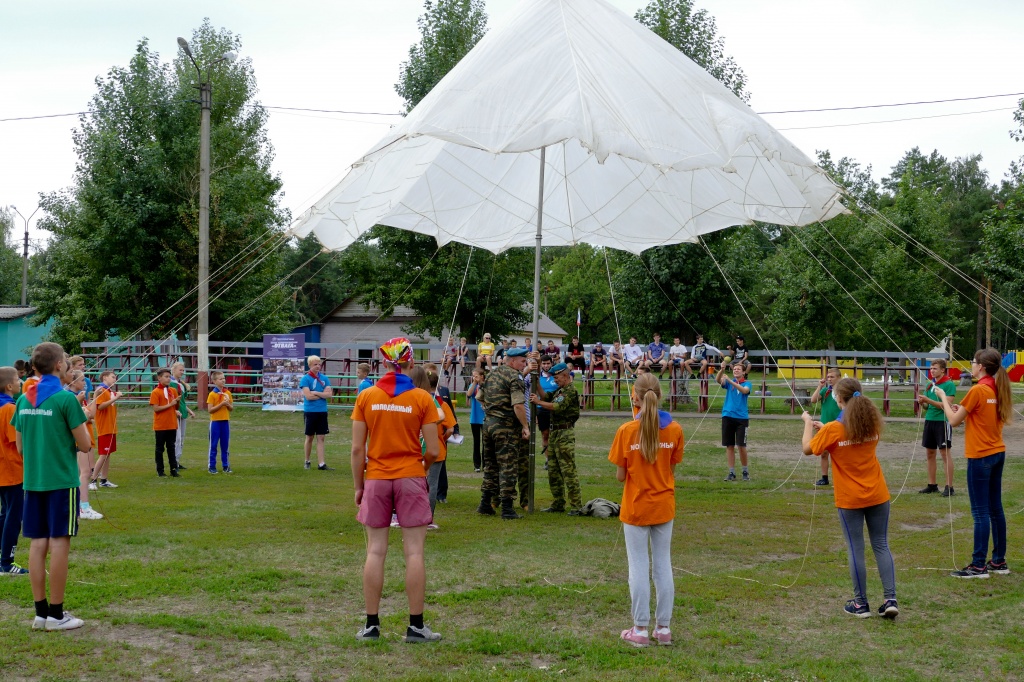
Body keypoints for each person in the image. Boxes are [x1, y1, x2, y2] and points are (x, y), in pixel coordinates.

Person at [351, 337, 442, 643]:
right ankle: (416, 626)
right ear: (410, 363)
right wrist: (423, 468)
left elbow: (356, 450)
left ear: (384, 363)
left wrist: (358, 487)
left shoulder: (367, 396)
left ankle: (371, 625)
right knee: (414, 552)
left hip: (375, 477)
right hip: (410, 477)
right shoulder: (421, 398)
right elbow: (433, 448)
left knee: (375, 551)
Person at [802, 377, 898, 618]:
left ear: (839, 399)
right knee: (881, 545)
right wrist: (825, 430)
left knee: (856, 549)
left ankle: (860, 603)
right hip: (878, 494)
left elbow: (808, 448)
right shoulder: (870, 422)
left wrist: (806, 423)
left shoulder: (835, 429)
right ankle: (890, 599)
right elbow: (849, 438)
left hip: (850, 499)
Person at [14, 342, 92, 630]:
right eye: (66, 362)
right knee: (59, 542)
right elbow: (85, 444)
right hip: (61, 481)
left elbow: (21, 447)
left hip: (33, 481)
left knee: (37, 543)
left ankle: (40, 613)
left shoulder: (24, 399)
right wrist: (84, 420)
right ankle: (56, 615)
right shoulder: (65, 398)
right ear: (59, 365)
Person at [609, 372, 684, 647]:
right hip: (663, 505)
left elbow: (620, 475)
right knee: (663, 565)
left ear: (636, 397)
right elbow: (670, 467)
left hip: (637, 506)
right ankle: (663, 628)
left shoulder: (627, 431)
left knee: (638, 567)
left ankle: (640, 630)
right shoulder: (674, 429)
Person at [932, 348, 1013, 579]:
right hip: (997, 453)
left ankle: (978, 565)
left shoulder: (979, 389)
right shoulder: (996, 388)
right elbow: (976, 413)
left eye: (974, 362)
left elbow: (953, 421)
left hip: (981, 456)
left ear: (983, 367)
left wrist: (943, 400)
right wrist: (960, 408)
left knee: (980, 512)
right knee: (995, 508)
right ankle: (998, 561)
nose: (972, 366)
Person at [477, 347, 532, 520]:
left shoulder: (492, 374)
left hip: (488, 425)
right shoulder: (515, 377)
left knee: (491, 465)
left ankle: (485, 503)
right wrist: (525, 426)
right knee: (507, 466)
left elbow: (480, 396)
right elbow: (518, 405)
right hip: (505, 427)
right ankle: (507, 508)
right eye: (523, 361)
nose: (525, 364)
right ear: (512, 361)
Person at [531, 362, 583, 515]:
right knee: (553, 470)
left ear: (566, 376)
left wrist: (538, 402)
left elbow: (556, 406)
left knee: (568, 470)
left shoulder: (570, 391)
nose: (555, 380)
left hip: (565, 434)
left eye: (557, 377)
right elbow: (546, 396)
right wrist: (538, 390)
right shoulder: (560, 391)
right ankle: (558, 502)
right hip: (554, 434)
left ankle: (576, 506)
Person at [0, 366, 27, 576]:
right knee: (13, 516)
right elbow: (16, 441)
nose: (20, 382)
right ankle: (7, 562)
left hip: (3, 470)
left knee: (4, 513)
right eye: (18, 379)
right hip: (11, 470)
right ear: (9, 385)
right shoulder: (9, 408)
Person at [917, 359, 956, 497]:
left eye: (935, 368)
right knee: (930, 453)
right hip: (930, 421)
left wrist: (928, 401)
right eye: (931, 368)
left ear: (942, 370)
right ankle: (932, 485)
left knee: (945, 454)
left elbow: (947, 405)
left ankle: (949, 486)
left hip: (943, 421)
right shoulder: (929, 385)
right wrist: (923, 403)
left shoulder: (949, 385)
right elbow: (928, 406)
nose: (932, 371)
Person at [66, 371, 101, 520]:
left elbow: (91, 415)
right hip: (78, 439)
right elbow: (82, 418)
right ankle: (83, 506)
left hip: (86, 436)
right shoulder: (70, 398)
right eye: (82, 380)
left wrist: (94, 397)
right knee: (85, 472)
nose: (85, 383)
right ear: (73, 382)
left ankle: (80, 505)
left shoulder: (80, 397)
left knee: (83, 472)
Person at [423, 370, 456, 527]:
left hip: (417, 448)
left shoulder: (418, 400)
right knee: (432, 484)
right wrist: (442, 439)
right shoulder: (441, 404)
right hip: (436, 450)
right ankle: (428, 519)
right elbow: (450, 429)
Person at [717, 361, 751, 481]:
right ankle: (731, 472)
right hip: (727, 416)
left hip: (742, 418)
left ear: (743, 372)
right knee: (729, 445)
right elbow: (718, 380)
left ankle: (745, 471)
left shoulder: (747, 383)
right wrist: (721, 370)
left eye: (738, 369)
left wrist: (731, 381)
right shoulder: (728, 382)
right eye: (734, 369)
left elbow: (744, 391)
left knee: (741, 445)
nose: (736, 370)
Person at [300, 355, 333, 471]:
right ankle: (307, 460)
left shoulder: (325, 378)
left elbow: (329, 394)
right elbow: (308, 396)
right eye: (315, 364)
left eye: (319, 364)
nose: (318, 366)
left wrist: (316, 393)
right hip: (310, 411)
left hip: (322, 411)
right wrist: (321, 394)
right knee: (309, 437)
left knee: (321, 437)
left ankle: (321, 463)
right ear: (309, 365)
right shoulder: (305, 379)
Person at [809, 367, 842, 487]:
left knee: (838, 454)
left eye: (832, 377)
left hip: (838, 426)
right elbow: (813, 400)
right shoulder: (825, 391)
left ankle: (840, 478)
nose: (829, 379)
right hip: (824, 426)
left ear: (839, 378)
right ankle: (824, 477)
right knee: (824, 453)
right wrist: (819, 387)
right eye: (828, 377)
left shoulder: (841, 392)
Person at [89, 370, 120, 490]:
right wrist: (115, 398)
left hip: (111, 427)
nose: (114, 379)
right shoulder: (101, 390)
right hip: (105, 428)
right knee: (103, 455)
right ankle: (93, 480)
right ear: (105, 377)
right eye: (113, 377)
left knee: (108, 454)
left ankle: (104, 479)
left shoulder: (109, 391)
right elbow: (100, 406)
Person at [150, 368, 181, 477]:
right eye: (166, 377)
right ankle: (160, 470)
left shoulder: (173, 390)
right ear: (159, 378)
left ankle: (173, 468)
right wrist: (171, 404)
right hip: (161, 425)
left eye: (169, 377)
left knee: (171, 447)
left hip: (171, 423)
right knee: (160, 448)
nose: (168, 379)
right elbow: (156, 409)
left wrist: (177, 403)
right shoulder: (155, 392)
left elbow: (175, 406)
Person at [168, 362, 195, 471]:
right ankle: (174, 462)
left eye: (183, 370)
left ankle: (177, 461)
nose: (182, 372)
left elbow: (182, 401)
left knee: (182, 438)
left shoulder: (182, 384)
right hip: (175, 413)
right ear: (173, 370)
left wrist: (189, 411)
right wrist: (174, 411)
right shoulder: (170, 383)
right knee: (177, 439)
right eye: (180, 370)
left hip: (182, 413)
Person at [207, 371, 233, 474]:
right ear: (214, 381)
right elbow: (210, 410)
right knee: (213, 445)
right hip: (215, 422)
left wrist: (227, 404)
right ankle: (212, 466)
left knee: (225, 445)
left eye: (224, 378)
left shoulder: (227, 393)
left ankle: (225, 465)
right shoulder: (212, 394)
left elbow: (231, 408)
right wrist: (221, 404)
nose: (223, 380)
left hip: (225, 421)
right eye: (220, 379)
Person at [535, 355, 558, 470]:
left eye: (548, 363)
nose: (546, 366)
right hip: (541, 409)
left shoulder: (557, 377)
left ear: (551, 363)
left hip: (554, 408)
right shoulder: (537, 377)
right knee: (545, 434)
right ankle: (548, 459)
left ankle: (556, 459)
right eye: (544, 364)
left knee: (556, 434)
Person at [467, 368, 486, 472]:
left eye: (476, 376)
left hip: (484, 417)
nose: (475, 378)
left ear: (482, 376)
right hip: (475, 418)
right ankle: (477, 465)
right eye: (473, 376)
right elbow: (469, 394)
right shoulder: (473, 386)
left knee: (485, 442)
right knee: (476, 441)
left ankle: (486, 464)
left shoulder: (486, 385)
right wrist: (474, 383)